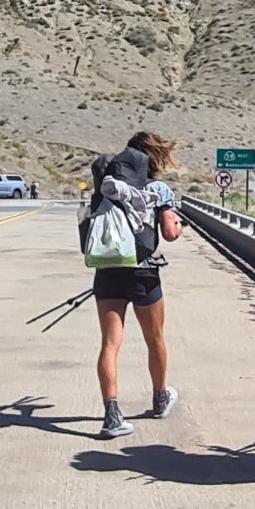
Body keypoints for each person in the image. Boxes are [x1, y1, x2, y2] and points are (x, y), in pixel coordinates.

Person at [84, 131, 184, 439]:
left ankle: (112, 416)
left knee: (110, 344)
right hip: (144, 273)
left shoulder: (108, 184)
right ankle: (160, 397)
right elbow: (170, 233)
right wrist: (178, 224)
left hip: (108, 270)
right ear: (154, 157)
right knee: (155, 339)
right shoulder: (158, 189)